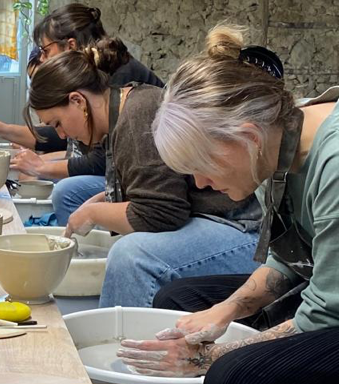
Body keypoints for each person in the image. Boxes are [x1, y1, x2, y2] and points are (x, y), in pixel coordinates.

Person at [118, 25, 339, 383]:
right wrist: (226, 310)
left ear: (247, 138)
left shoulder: (332, 162)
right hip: (327, 289)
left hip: (334, 307)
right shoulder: (273, 138)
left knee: (230, 372)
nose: (201, 184)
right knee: (180, 300)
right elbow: (288, 257)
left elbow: (327, 312)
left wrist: (207, 358)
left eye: (201, 168)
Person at [25, 49, 261, 308]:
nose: (63, 133)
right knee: (72, 195)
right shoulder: (125, 108)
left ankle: (117, 341)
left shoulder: (138, 112)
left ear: (78, 101)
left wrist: (95, 213)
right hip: (214, 216)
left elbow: (162, 214)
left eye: (57, 123)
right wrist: (105, 198)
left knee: (131, 256)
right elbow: (161, 185)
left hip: (244, 228)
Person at [0, 3, 163, 225]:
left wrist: (43, 168)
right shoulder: (96, 94)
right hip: (141, 185)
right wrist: (3, 130)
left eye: (45, 51)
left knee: (67, 191)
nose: (42, 59)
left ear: (70, 46)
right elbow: (68, 139)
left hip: (169, 201)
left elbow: (104, 164)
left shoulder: (127, 96)